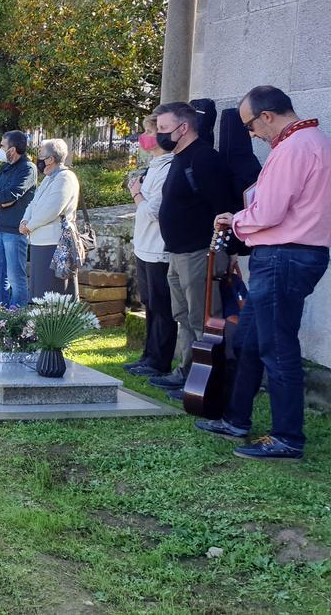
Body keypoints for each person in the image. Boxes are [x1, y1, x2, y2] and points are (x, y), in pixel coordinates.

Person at [195, 86, 331, 461]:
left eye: (250, 126)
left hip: (285, 257)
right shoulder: (312, 141)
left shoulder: (294, 148)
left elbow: (269, 212)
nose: (252, 134)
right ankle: (236, 419)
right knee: (251, 343)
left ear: (267, 116)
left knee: (277, 347)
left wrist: (234, 220)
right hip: (288, 255)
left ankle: (288, 437)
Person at [150, 102, 240, 392]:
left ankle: (208, 382)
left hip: (200, 253)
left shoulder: (203, 159)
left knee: (203, 319)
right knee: (183, 316)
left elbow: (223, 207)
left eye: (163, 129)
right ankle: (186, 371)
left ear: (183, 127)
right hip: (177, 253)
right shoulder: (179, 157)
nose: (159, 135)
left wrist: (226, 253)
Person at [124, 116, 177, 377]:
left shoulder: (169, 167)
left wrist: (136, 194)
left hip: (158, 247)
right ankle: (148, 355)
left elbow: (153, 210)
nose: (144, 136)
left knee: (162, 307)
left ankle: (159, 361)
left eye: (149, 131)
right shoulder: (154, 165)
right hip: (144, 245)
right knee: (149, 305)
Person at [19, 139, 80, 299]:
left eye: (41, 154)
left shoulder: (65, 178)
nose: (38, 158)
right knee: (39, 292)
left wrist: (29, 226)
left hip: (54, 243)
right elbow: (34, 203)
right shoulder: (48, 178)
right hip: (40, 241)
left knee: (53, 292)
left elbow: (52, 210)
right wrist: (24, 221)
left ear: (51, 159)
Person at [0, 131, 36, 307]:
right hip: (0, 228)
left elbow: (10, 196)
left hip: (16, 231)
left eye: (2, 145)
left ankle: (16, 317)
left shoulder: (27, 168)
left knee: (15, 277)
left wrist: (1, 199)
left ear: (12, 149)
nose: (0, 148)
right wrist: (0, 201)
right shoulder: (5, 168)